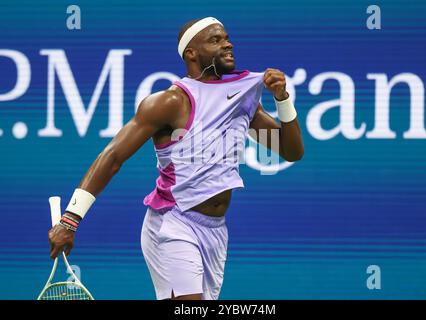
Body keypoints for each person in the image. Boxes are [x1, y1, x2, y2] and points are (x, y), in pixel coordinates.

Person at [48, 17, 304, 300]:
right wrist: (70, 220)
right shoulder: (170, 102)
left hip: (216, 232)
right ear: (191, 53)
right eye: (215, 40)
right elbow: (113, 157)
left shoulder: (242, 97)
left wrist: (282, 98)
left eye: (227, 38)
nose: (227, 43)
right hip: (173, 223)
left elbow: (291, 151)